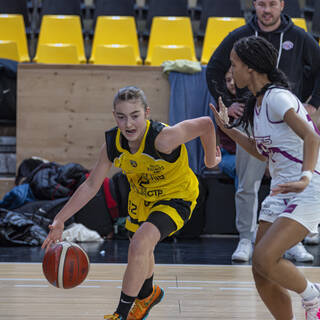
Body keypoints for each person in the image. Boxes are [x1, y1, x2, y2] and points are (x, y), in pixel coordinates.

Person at [41, 86, 221, 320]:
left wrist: (210, 161)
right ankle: (148, 294)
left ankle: (121, 315)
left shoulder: (163, 139)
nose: (129, 124)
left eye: (135, 115)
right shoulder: (113, 145)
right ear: (114, 116)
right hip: (143, 198)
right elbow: (90, 185)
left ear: (147, 113)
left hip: (177, 196)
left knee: (139, 244)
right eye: (122, 116)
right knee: (140, 249)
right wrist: (60, 219)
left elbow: (206, 124)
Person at [211, 35, 320, 320]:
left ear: (250, 67)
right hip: (283, 189)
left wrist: (306, 177)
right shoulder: (258, 104)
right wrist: (229, 129)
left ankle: (313, 295)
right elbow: (262, 153)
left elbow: (311, 136)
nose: (230, 71)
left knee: (264, 257)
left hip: (308, 186)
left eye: (234, 65)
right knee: (260, 271)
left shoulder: (278, 97)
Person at [206, 0, 320, 262]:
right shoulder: (240, 38)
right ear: (254, 5)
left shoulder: (279, 94)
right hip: (252, 118)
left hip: (289, 130)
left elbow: (312, 137)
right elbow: (213, 69)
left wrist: (313, 102)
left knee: (291, 181)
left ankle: (295, 242)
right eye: (261, 4)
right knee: (249, 184)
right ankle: (246, 237)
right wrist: (228, 106)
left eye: (272, 4)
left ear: (281, 5)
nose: (266, 10)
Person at [216, 68, 244, 188]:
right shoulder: (222, 104)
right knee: (242, 167)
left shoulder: (252, 101)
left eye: (234, 79)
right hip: (228, 155)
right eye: (228, 80)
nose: (232, 83)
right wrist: (227, 111)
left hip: (251, 155)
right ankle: (244, 206)